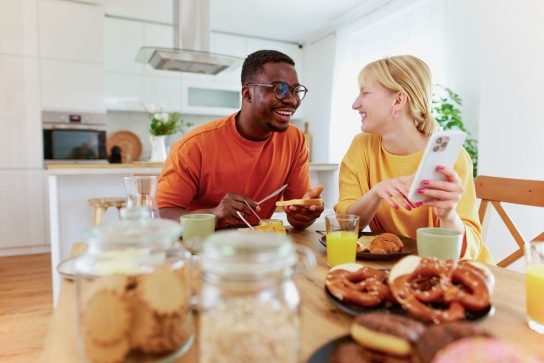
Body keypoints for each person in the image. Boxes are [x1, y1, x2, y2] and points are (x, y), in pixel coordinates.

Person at [334, 55, 493, 263]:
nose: (355, 104)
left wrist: (448, 215)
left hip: (459, 272)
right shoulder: (362, 146)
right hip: (394, 269)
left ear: (398, 100)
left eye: (364, 92)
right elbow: (345, 223)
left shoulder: (452, 159)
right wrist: (376, 193)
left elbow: (470, 248)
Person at [157, 49, 324, 230]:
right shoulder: (193, 146)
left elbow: (297, 216)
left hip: (259, 247)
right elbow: (160, 218)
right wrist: (214, 214)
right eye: (279, 89)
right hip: (202, 248)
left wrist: (305, 214)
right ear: (247, 94)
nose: (292, 100)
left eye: (295, 90)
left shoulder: (295, 140)